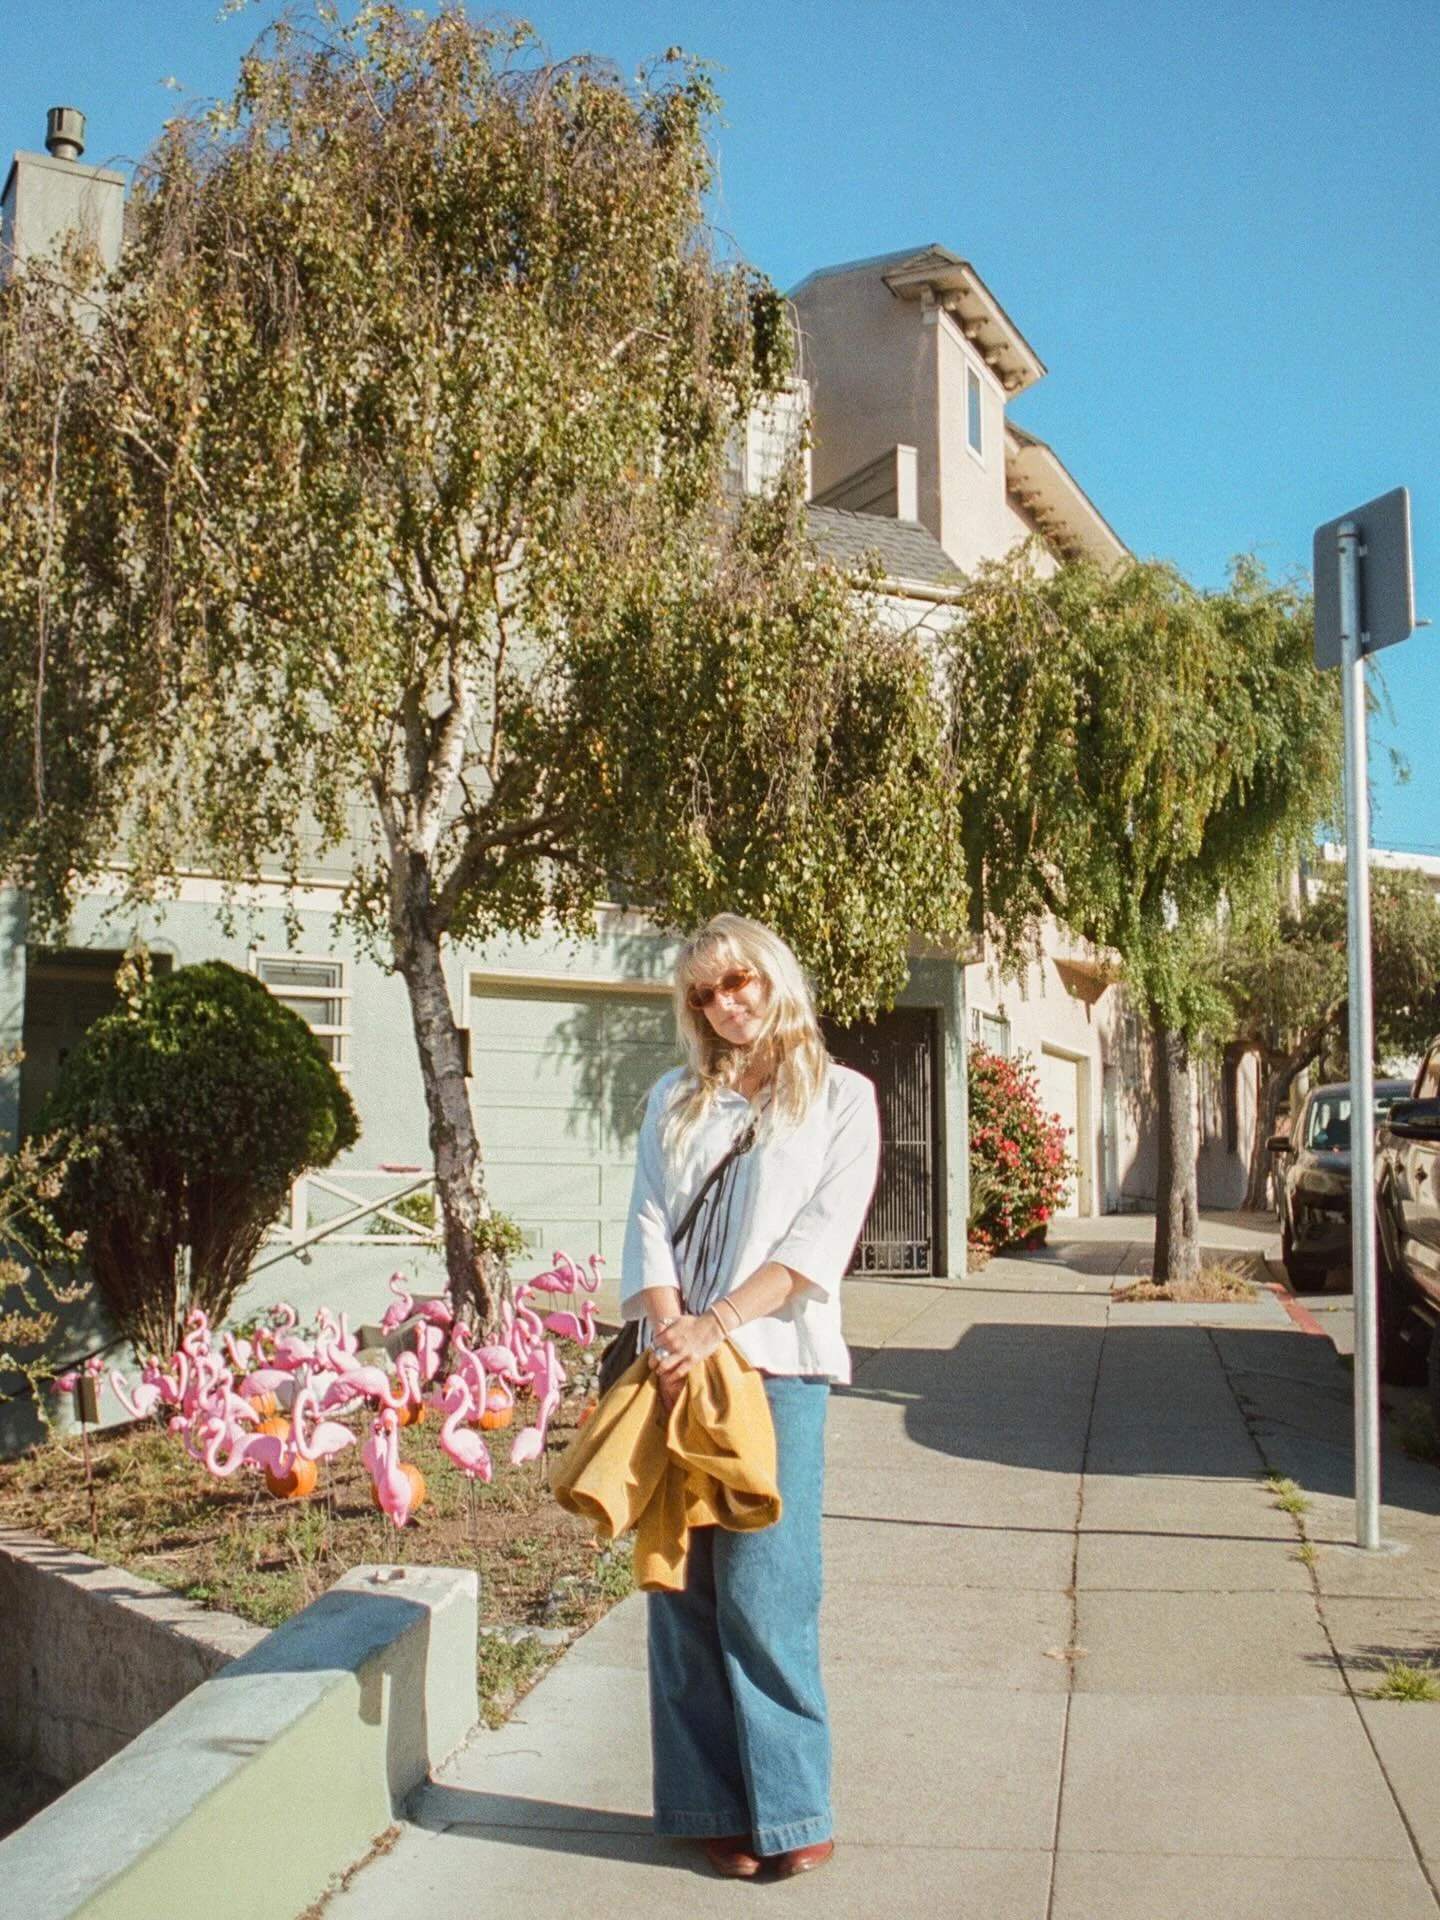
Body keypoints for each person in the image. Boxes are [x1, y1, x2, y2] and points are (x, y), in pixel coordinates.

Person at [621, 911, 881, 1881]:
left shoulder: (841, 1097)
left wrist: (716, 1325)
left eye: (738, 982)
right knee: (682, 1591)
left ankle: (791, 1806)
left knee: (769, 1591)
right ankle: (710, 1806)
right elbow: (649, 1219)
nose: (725, 1005)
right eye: (705, 994)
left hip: (776, 1364)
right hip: (675, 1366)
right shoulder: (674, 1099)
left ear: (774, 978)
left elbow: (820, 1240)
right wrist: (670, 1331)